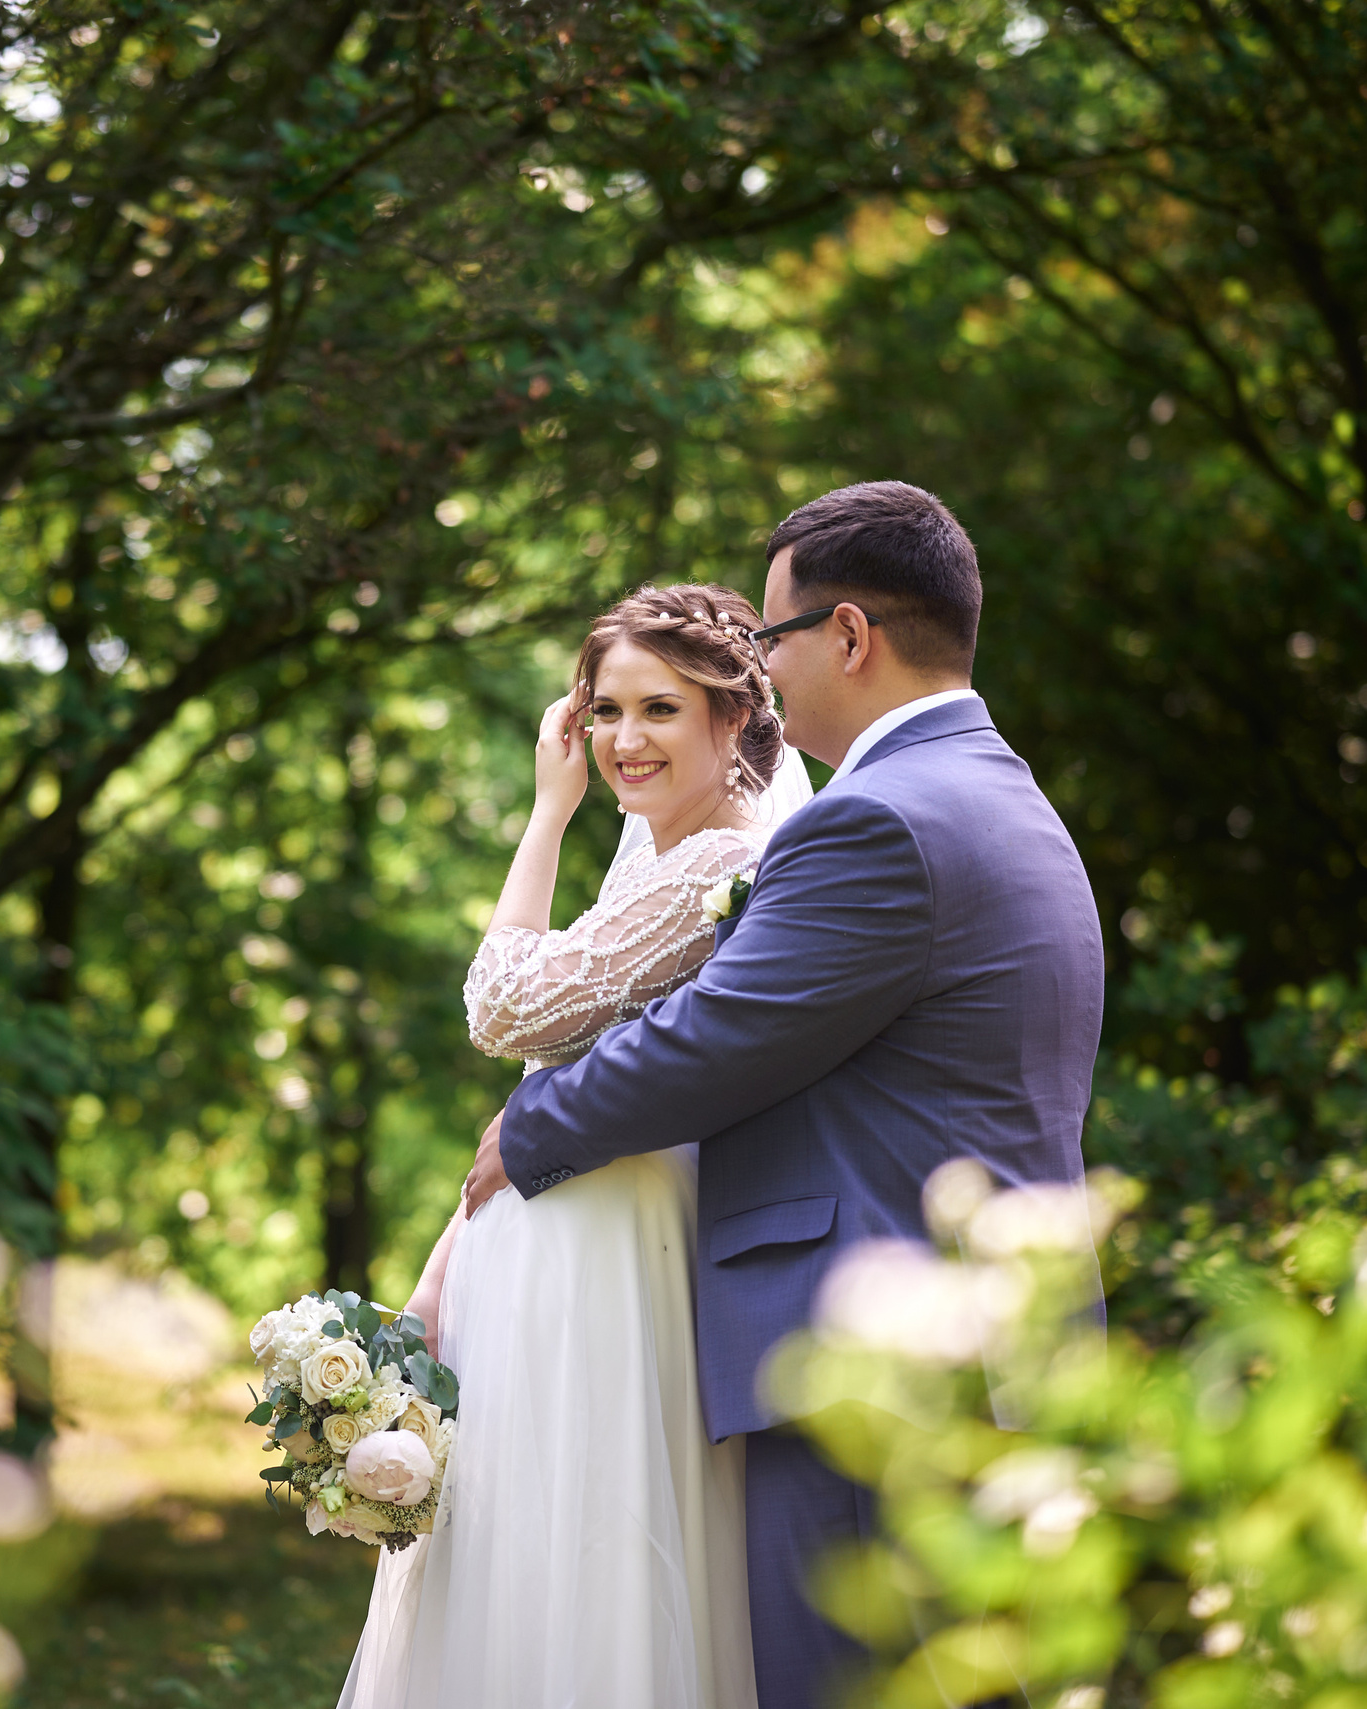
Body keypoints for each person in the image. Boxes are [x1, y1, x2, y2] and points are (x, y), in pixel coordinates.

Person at [461, 480, 1107, 1709]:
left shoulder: (877, 818)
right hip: (990, 1343)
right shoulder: (1006, 796)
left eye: (769, 639)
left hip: (870, 1348)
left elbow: (719, 1034)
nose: (762, 668)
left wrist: (530, 1123)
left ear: (851, 635)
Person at [337, 583, 798, 1709]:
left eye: (659, 711)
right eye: (603, 711)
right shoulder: (651, 855)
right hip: (558, 1222)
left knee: (589, 1526)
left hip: (614, 1234)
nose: (622, 740)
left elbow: (503, 1010)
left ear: (732, 718)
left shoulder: (710, 867)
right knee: (517, 1526)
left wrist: (548, 809)